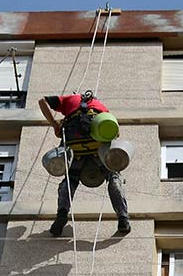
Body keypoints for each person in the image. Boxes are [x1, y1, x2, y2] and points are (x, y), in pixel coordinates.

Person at [38, 91, 130, 236]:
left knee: (69, 181)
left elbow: (42, 101)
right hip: (97, 146)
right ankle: (123, 217)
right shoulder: (101, 107)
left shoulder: (68, 99)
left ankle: (61, 214)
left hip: (75, 146)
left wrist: (55, 125)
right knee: (113, 176)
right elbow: (115, 133)